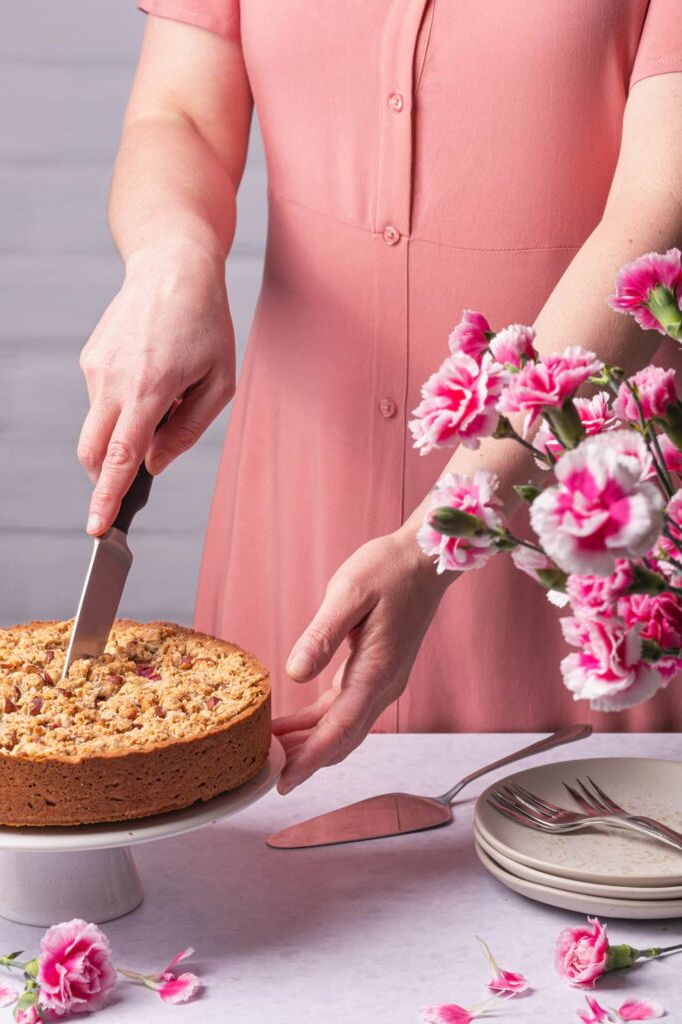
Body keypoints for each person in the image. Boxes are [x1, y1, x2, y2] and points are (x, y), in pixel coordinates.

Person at [78, 0, 682, 794]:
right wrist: (172, 260)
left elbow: (659, 206)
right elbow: (178, 111)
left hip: (573, 506)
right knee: (264, 870)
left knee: (586, 846)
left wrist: (439, 536)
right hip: (303, 485)